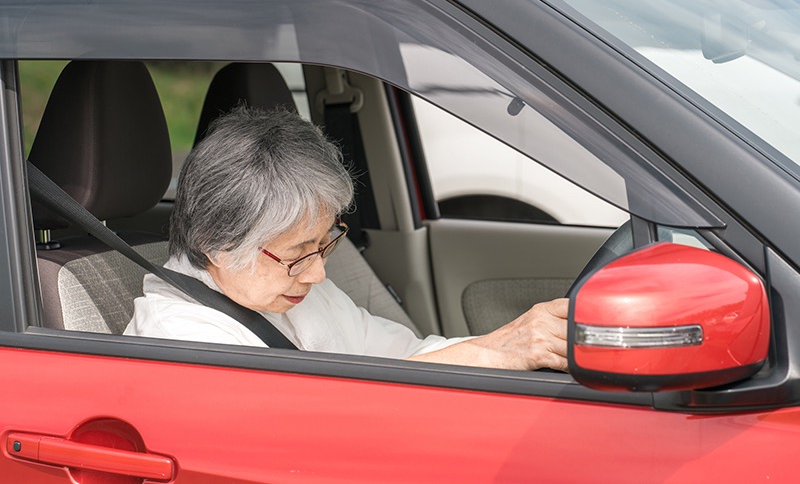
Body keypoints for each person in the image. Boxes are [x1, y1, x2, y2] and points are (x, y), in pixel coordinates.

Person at [124, 106, 568, 371]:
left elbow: (405, 355)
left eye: (325, 242)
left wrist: (511, 344)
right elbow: (312, 424)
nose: (318, 272)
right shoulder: (180, 342)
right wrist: (493, 355)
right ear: (216, 244)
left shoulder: (280, 288)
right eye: (298, 253)